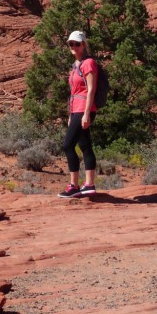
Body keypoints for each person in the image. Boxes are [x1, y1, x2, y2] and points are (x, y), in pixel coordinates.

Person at [60, 30, 98, 198]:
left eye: (77, 43)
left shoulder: (89, 63)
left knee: (68, 145)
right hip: (76, 108)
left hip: (84, 108)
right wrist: (70, 114)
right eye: (71, 44)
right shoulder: (75, 66)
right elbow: (73, 92)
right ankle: (89, 185)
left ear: (83, 45)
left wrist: (86, 114)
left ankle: (74, 185)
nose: (74, 47)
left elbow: (91, 90)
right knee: (84, 145)